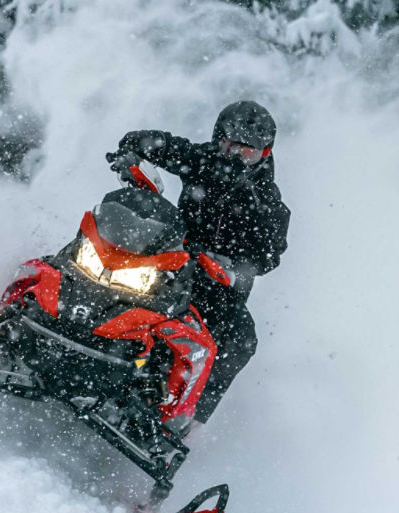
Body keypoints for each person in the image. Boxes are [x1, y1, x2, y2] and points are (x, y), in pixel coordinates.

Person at [107, 100, 290, 424]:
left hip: (216, 284)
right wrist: (132, 153)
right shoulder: (203, 159)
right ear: (219, 137)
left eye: (247, 150)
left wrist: (231, 262)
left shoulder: (268, 202)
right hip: (169, 256)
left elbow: (268, 255)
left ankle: (186, 422)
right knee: (102, 254)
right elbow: (156, 144)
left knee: (241, 338)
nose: (236, 154)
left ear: (264, 153)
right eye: (231, 143)